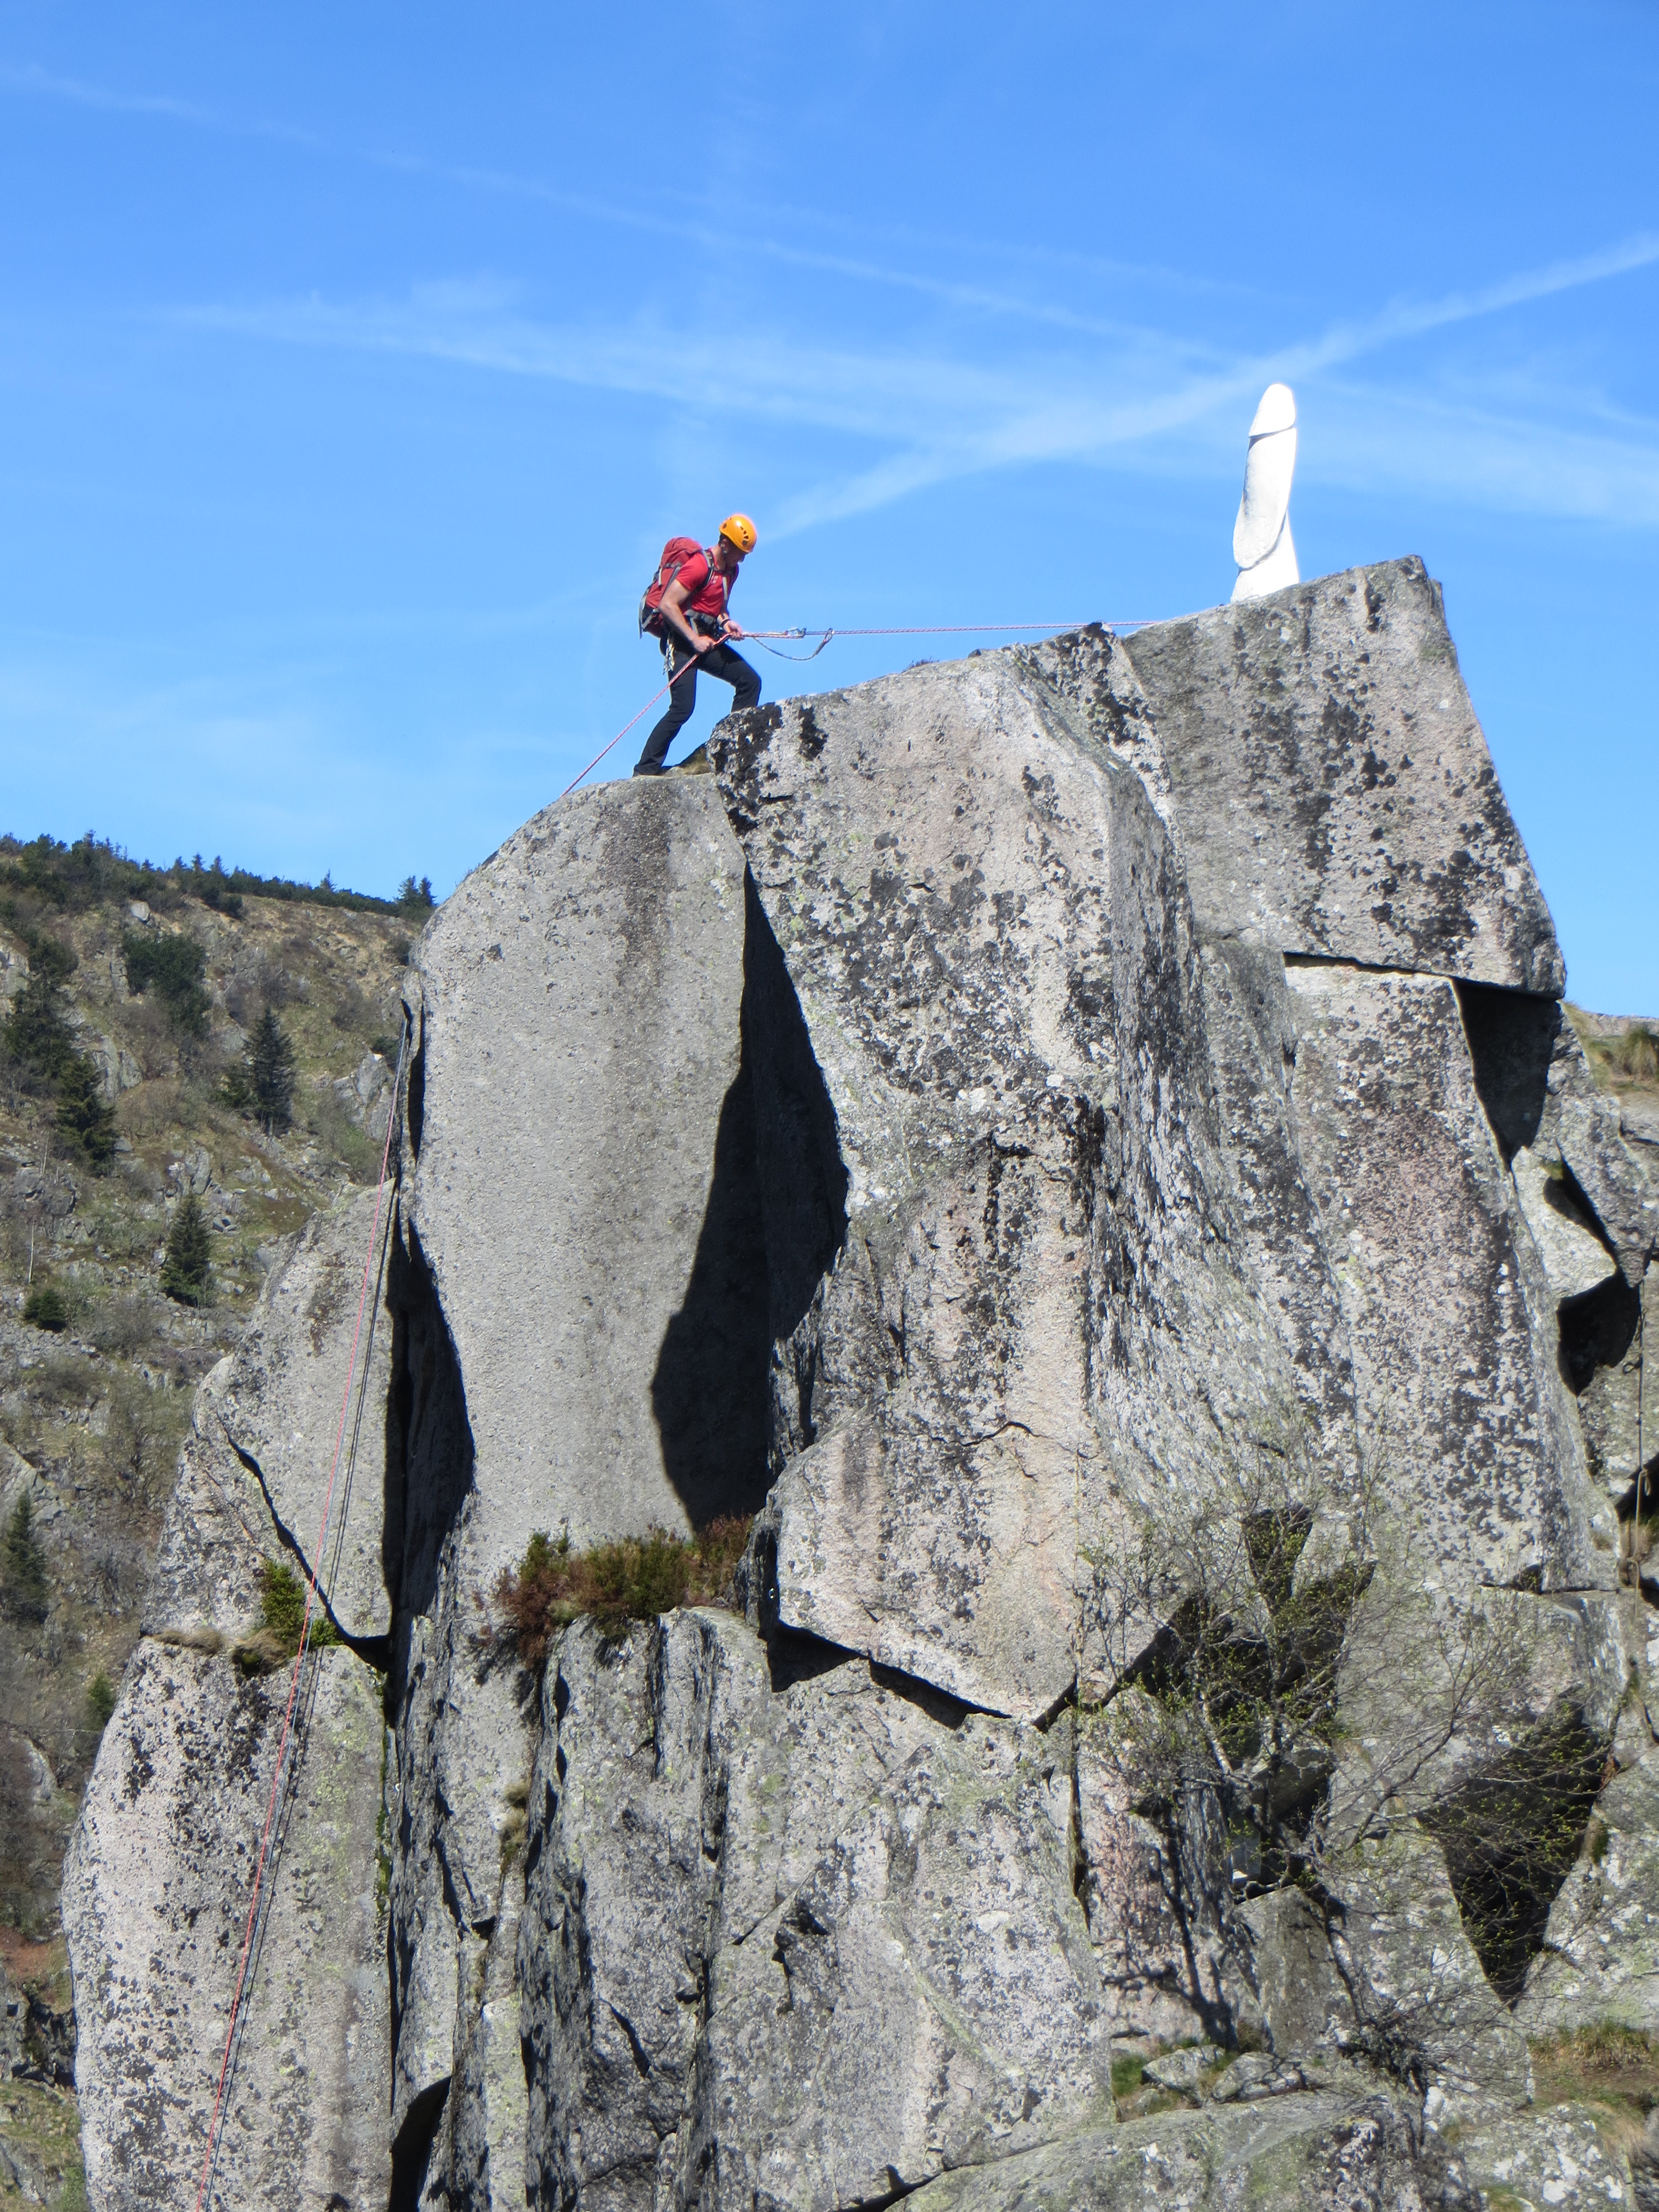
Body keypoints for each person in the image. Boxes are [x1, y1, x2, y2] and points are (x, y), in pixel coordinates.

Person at [634, 515, 761, 775]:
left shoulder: (731, 571)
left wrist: (726, 622)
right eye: (740, 552)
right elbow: (667, 604)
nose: (742, 559)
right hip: (681, 642)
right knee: (682, 708)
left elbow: (717, 607)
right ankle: (645, 769)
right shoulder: (699, 566)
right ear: (725, 544)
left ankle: (733, 749)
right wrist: (693, 640)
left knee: (750, 682)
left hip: (706, 640)